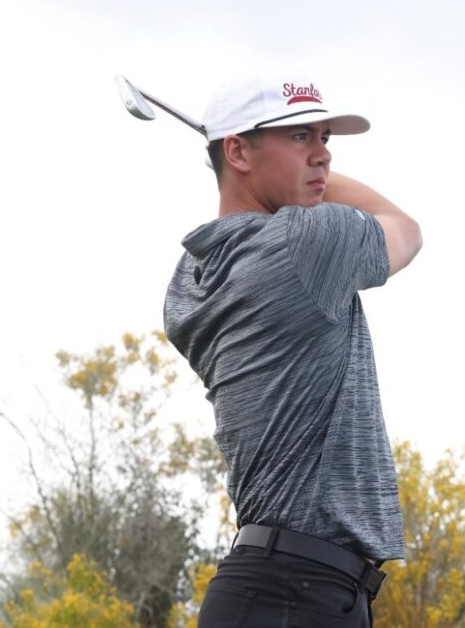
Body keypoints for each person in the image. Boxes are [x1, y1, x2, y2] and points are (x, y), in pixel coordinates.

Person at [163, 73, 422, 627]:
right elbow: (406, 229)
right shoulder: (305, 242)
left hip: (279, 588)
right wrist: (314, 181)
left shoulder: (191, 279)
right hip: (296, 595)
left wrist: (277, 168)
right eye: (301, 137)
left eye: (326, 139)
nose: (324, 156)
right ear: (237, 149)